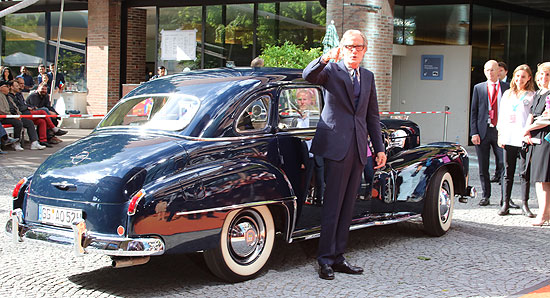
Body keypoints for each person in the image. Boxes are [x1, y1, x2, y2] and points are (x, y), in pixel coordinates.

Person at [303, 29, 386, 280]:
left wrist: (379, 148)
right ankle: (325, 259)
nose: (353, 51)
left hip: (359, 148)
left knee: (348, 206)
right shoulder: (331, 71)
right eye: (349, 46)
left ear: (364, 50)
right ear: (342, 48)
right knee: (333, 205)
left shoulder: (368, 77)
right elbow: (308, 75)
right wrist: (325, 58)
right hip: (335, 146)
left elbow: (372, 116)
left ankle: (339, 256)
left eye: (358, 47)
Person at [496, 64, 535, 217]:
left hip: (524, 137)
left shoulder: (532, 95)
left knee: (524, 172)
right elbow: (502, 116)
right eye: (518, 76)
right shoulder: (507, 94)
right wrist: (500, 134)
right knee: (507, 172)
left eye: (523, 77)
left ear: (529, 78)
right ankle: (505, 203)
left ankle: (525, 204)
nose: (520, 79)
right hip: (508, 137)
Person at [470, 60, 510, 207]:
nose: (490, 73)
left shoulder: (507, 88)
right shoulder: (479, 88)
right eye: (487, 70)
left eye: (493, 70)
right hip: (483, 131)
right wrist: (474, 132)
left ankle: (505, 198)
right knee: (483, 166)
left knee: (503, 163)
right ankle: (486, 195)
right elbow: (474, 112)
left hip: (500, 131)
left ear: (499, 71)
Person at [523, 62, 550, 226]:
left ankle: (543, 214)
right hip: (536, 137)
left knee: (544, 179)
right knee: (539, 179)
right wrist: (526, 130)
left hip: (547, 138)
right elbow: (532, 114)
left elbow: (547, 117)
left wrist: (528, 129)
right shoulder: (539, 93)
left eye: (547, 74)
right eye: (541, 74)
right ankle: (545, 211)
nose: (543, 77)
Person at [12, 78, 67, 147]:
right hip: (23, 114)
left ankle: (43, 141)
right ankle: (54, 129)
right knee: (43, 111)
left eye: (23, 84)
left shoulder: (20, 94)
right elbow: (19, 107)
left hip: (28, 112)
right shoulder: (15, 96)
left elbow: (49, 107)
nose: (22, 85)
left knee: (42, 121)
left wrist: (56, 114)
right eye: (20, 84)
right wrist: (28, 107)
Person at [295, 88, 324, 206]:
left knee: (320, 181)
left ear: (310, 101)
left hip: (318, 152)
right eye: (300, 99)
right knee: (305, 182)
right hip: (304, 155)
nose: (302, 102)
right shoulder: (294, 116)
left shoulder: (315, 115)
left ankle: (320, 202)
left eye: (304, 99)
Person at [0, 81, 45, 150]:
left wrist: (19, 115)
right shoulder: (1, 96)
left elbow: (16, 108)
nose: (8, 88)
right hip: (5, 117)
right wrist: (13, 116)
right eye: (6, 86)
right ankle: (16, 143)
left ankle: (34, 143)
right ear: (1, 88)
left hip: (15, 116)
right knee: (18, 123)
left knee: (29, 122)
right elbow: (2, 110)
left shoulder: (9, 97)